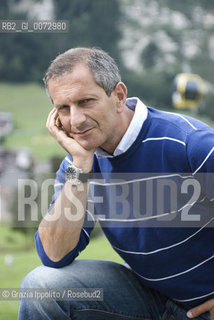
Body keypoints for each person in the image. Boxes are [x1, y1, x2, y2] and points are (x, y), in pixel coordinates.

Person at [18, 47, 214, 320]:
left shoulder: (190, 143)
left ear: (119, 96)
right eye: (64, 108)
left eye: (86, 101)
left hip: (204, 306)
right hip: (147, 297)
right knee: (41, 287)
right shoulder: (78, 166)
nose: (75, 120)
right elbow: (54, 255)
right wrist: (80, 166)